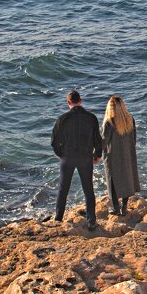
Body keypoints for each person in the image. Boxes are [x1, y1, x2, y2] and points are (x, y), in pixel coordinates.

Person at [51, 89, 103, 229]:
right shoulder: (91, 117)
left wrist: (61, 154)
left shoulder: (62, 119)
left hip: (67, 157)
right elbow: (97, 139)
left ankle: (58, 219)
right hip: (85, 157)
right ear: (80, 101)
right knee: (88, 189)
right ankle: (91, 220)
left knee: (63, 189)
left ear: (68, 102)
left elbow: (54, 141)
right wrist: (97, 155)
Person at [101, 95, 141, 216]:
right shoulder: (130, 119)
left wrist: (95, 154)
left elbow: (103, 140)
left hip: (113, 155)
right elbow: (134, 138)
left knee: (112, 180)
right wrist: (130, 150)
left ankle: (115, 208)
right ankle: (124, 207)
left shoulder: (109, 122)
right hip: (128, 153)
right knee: (127, 178)